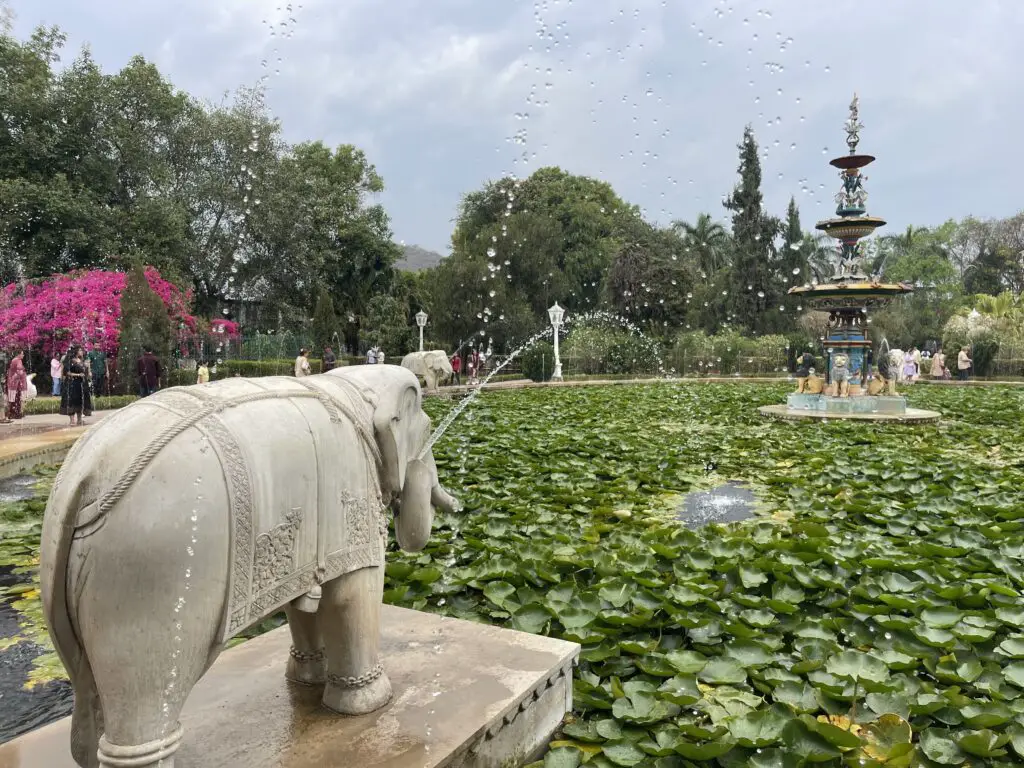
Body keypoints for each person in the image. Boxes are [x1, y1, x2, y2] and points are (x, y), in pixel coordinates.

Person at [61, 348, 92, 426]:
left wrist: (88, 368)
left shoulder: (83, 360)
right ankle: (72, 420)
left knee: (81, 400)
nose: (82, 352)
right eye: (80, 350)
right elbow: (66, 372)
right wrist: (78, 375)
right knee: (72, 401)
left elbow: (86, 373)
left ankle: (79, 419)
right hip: (72, 384)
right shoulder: (70, 360)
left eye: (82, 350)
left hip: (82, 384)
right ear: (76, 351)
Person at [5, 350, 27, 420]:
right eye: (22, 354)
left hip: (13, 382)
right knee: (16, 398)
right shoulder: (18, 360)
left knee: (12, 398)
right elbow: (19, 371)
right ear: (18, 354)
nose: (23, 355)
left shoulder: (14, 359)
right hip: (15, 383)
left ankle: (11, 414)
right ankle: (16, 414)